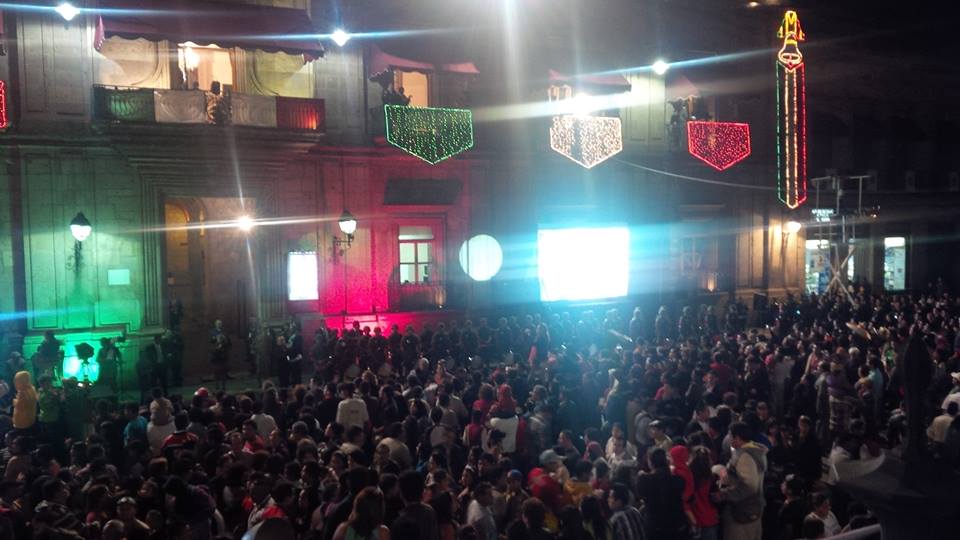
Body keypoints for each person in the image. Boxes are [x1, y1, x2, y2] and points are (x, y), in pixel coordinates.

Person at [715, 422, 767, 540]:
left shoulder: (745, 456)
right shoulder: (756, 451)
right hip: (753, 508)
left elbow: (749, 486)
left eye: (730, 435)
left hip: (742, 511)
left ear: (737, 438)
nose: (728, 439)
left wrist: (724, 494)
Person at [636, 447, 689, 540]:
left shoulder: (644, 480)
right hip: (675, 526)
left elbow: (640, 493)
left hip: (655, 527)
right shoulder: (677, 480)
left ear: (650, 462)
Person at [210, 319, 231, 390]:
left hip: (223, 354)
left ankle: (223, 386)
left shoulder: (224, 332)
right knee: (216, 371)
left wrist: (225, 342)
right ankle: (217, 385)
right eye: (217, 323)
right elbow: (211, 341)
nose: (219, 324)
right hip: (216, 354)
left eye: (220, 323)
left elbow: (229, 342)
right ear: (215, 324)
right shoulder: (212, 332)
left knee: (224, 370)